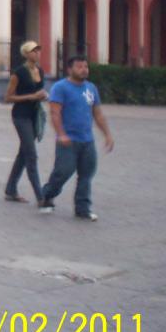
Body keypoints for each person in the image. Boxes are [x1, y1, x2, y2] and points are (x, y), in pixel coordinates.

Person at [39, 56, 114, 222]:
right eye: (79, 67)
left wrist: (107, 134)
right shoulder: (60, 88)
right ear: (70, 69)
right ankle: (47, 194)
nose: (84, 69)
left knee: (87, 174)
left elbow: (98, 114)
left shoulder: (91, 88)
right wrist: (61, 134)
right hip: (68, 140)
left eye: (86, 66)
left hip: (87, 140)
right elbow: (55, 113)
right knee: (63, 172)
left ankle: (83, 208)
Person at [4, 41, 48, 204]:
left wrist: (42, 94)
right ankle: (40, 195)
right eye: (34, 51)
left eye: (38, 50)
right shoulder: (19, 72)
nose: (37, 53)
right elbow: (8, 97)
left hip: (34, 114)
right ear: (26, 54)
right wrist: (31, 97)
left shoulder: (40, 71)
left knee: (23, 153)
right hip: (21, 115)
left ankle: (11, 188)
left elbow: (38, 90)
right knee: (31, 154)